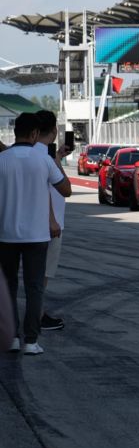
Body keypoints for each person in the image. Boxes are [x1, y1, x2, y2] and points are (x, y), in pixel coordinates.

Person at [0, 112, 73, 356]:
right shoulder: (43, 160)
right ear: (34, 134)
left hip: (6, 234)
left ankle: (11, 338)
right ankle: (31, 341)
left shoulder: (3, 159)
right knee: (34, 288)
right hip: (37, 236)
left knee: (8, 286)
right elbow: (66, 189)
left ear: (14, 132)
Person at [34, 111, 67, 331]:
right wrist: (52, 220)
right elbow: (66, 189)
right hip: (49, 226)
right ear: (54, 131)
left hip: (36, 224)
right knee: (42, 276)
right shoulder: (45, 158)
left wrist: (58, 159)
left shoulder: (41, 156)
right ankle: (37, 316)